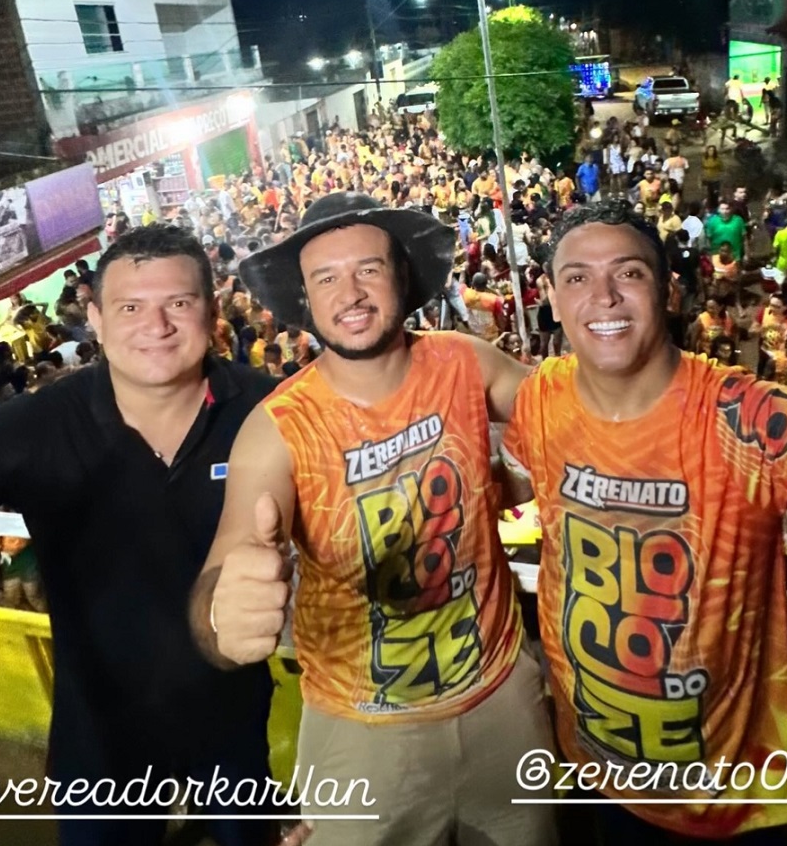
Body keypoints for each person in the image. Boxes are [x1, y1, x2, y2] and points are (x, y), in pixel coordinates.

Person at [499, 200, 787, 844]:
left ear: (669, 291)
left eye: (629, 273)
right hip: (593, 777)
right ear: (552, 299)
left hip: (727, 805)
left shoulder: (748, 416)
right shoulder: (540, 398)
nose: (603, 296)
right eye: (578, 277)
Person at [190, 192, 557, 846]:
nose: (350, 293)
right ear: (305, 299)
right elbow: (232, 555)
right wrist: (222, 616)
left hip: (503, 702)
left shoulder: (463, 362)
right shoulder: (278, 428)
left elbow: (568, 419)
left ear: (402, 276)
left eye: (368, 269)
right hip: (362, 732)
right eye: (326, 278)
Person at [0, 225, 280, 846]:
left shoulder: (273, 409)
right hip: (101, 734)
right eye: (130, 308)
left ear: (211, 310)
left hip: (235, 719)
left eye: (178, 302)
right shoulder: (36, 424)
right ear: (96, 319)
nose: (156, 326)